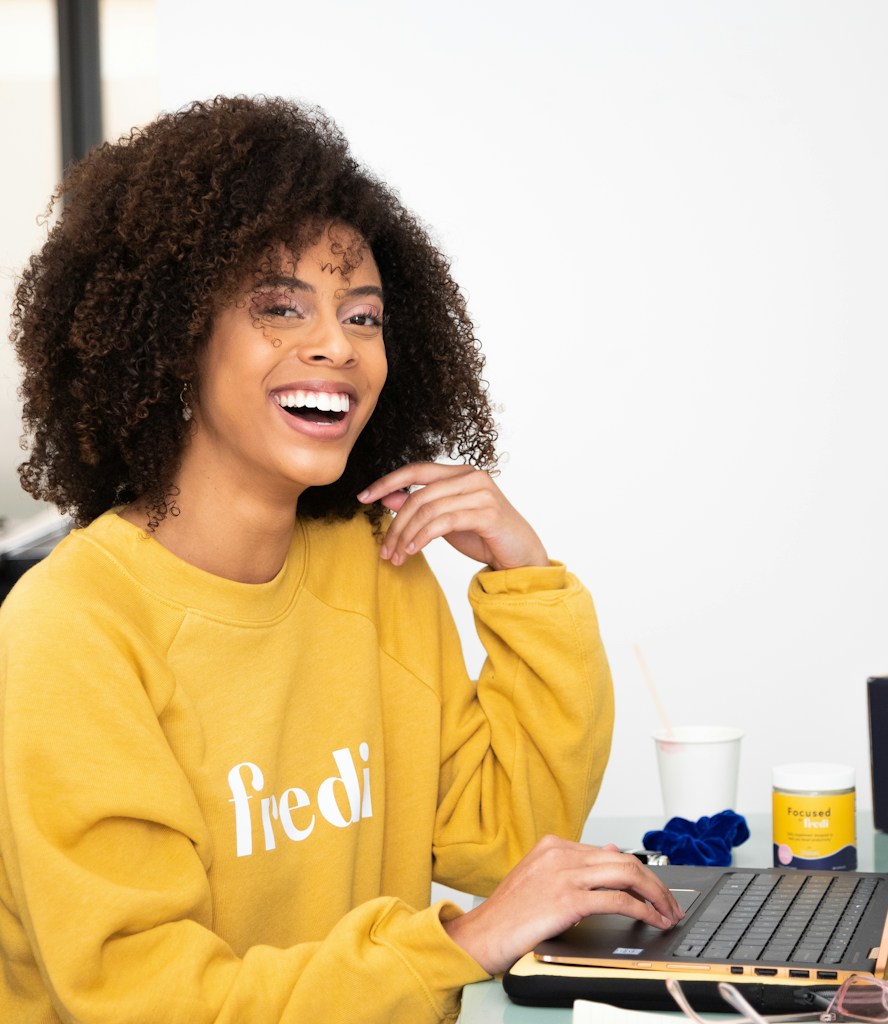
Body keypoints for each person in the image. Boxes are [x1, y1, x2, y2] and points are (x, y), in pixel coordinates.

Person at [0, 96, 681, 1023]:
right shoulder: (69, 631)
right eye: (280, 307)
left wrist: (524, 578)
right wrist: (458, 944)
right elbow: (142, 999)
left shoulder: (370, 566)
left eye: (363, 316)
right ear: (170, 338)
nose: (335, 346)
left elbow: (509, 835)